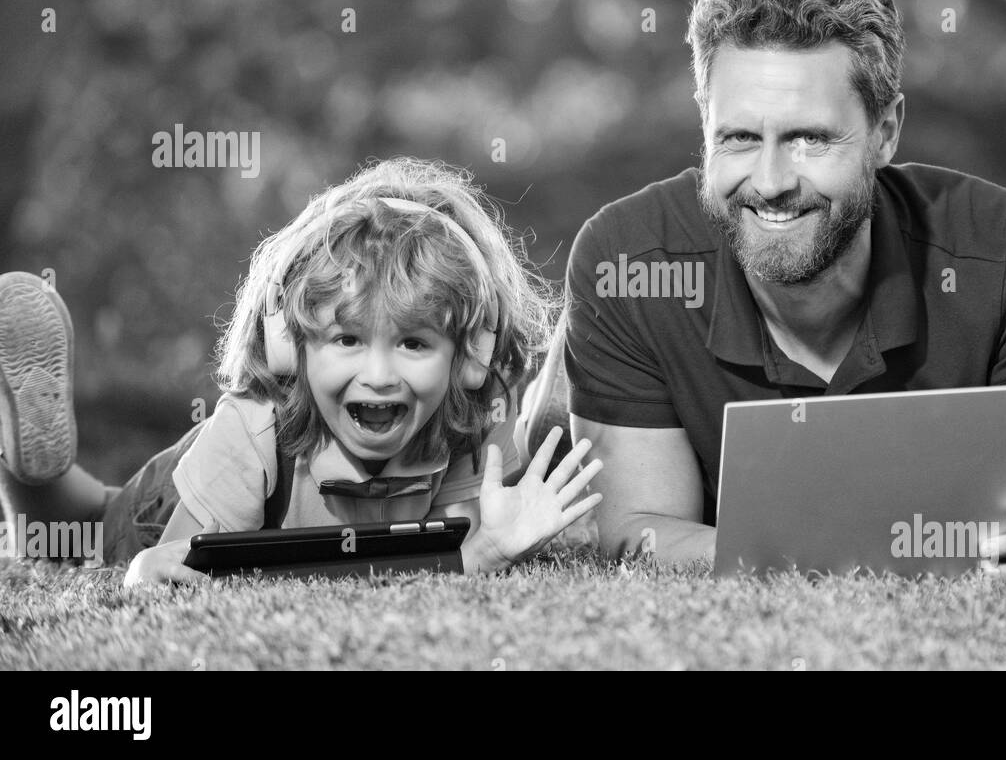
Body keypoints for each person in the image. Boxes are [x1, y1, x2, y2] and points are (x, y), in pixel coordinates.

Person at [563, 0, 1006, 576]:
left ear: (886, 131)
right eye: (738, 139)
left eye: (810, 138)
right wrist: (847, 553)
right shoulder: (624, 260)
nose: (771, 181)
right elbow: (636, 532)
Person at [0, 158, 602, 585]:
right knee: (73, 530)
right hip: (174, 502)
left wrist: (490, 546)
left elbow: (440, 567)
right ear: (290, 344)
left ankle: (31, 456)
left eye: (414, 343)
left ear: (468, 358)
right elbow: (182, 579)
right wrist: (149, 570)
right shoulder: (255, 429)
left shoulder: (470, 421)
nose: (380, 375)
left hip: (264, 509)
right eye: (346, 338)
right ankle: (28, 460)